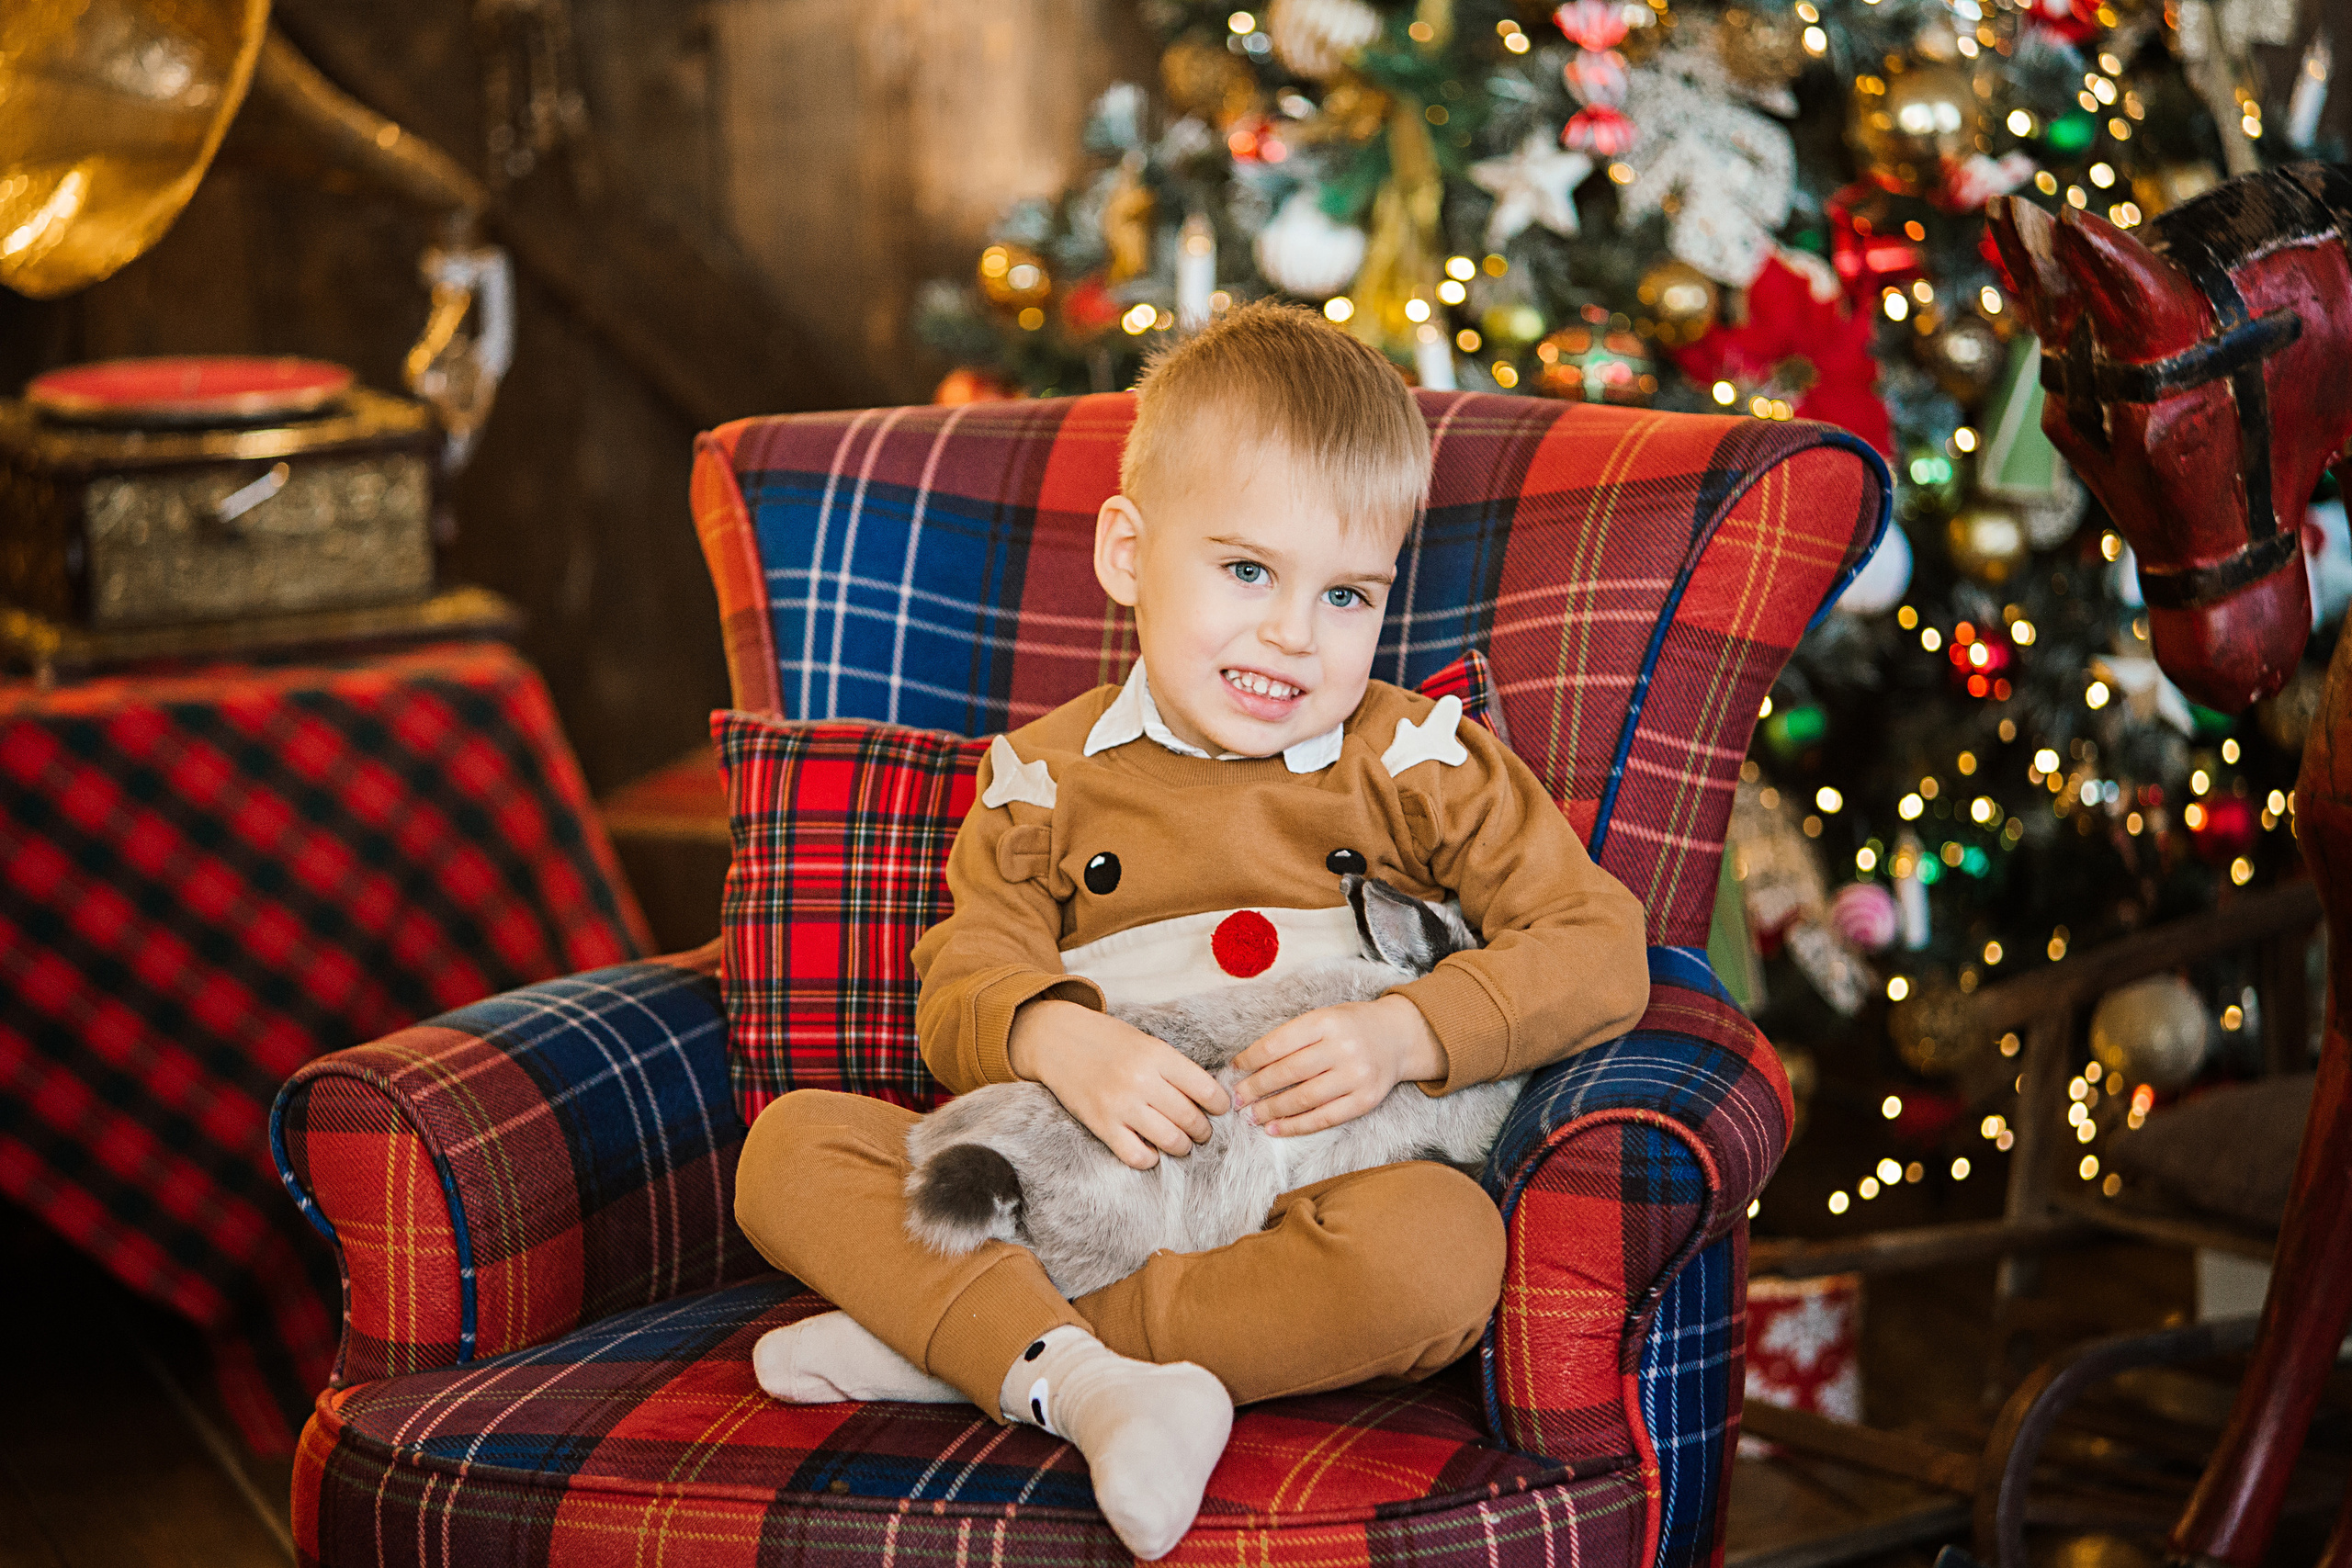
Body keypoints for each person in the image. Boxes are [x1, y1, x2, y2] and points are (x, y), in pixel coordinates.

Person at [732, 302, 1650, 1559]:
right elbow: (965, 974)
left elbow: (1598, 944)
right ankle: (1084, 1380)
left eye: (1346, 593)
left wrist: (1407, 1034)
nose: (1292, 635)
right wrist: (1057, 1039)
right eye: (1246, 571)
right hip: (1099, 1176)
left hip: (1310, 1186)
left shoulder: (1421, 762)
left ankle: (995, 1350)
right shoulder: (1042, 780)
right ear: (1128, 552)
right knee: (791, 1150)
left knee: (1442, 1256)